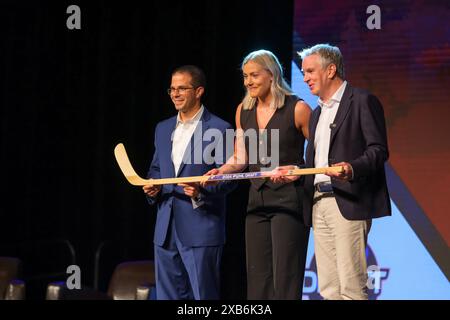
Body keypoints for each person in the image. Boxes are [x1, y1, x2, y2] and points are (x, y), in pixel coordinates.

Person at [204, 50, 312, 300]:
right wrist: (220, 171)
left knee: (286, 277)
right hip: (257, 203)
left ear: (271, 75)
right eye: (244, 76)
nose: (247, 82)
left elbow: (319, 154)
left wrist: (299, 172)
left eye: (253, 75)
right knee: (258, 277)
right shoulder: (243, 110)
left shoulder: (298, 109)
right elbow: (240, 158)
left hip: (290, 201)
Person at [296, 44, 391, 300]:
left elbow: (378, 150)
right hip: (318, 202)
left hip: (348, 200)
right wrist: (297, 171)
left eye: (309, 71)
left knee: (351, 286)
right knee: (328, 288)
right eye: (304, 72)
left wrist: (351, 168)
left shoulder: (361, 100)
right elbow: (318, 162)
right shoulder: (316, 114)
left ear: (330, 70)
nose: (304, 78)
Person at [143, 65, 236, 300]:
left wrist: (201, 190)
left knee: (202, 296)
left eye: (182, 88)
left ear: (199, 91)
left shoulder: (220, 128)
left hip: (201, 225)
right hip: (165, 229)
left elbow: (230, 178)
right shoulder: (162, 128)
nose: (175, 94)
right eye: (172, 89)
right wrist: (152, 187)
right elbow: (156, 169)